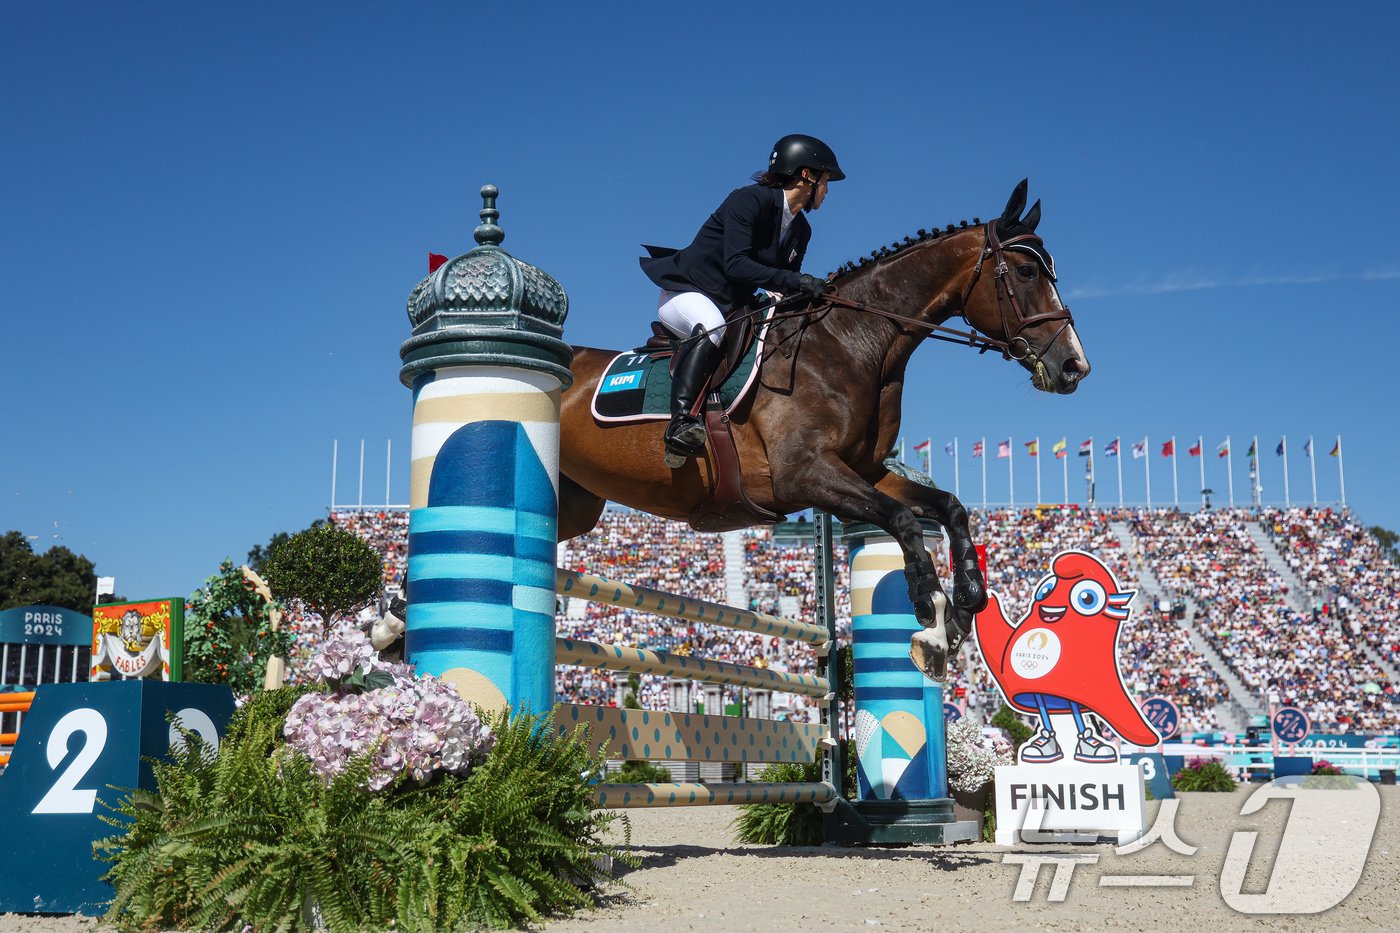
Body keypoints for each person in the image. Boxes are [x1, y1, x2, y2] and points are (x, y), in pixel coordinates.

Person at [640, 134, 844, 467]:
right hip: (687, 291)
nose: (828, 190)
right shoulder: (749, 200)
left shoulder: (801, 230)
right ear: (807, 176)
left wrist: (812, 292)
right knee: (714, 328)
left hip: (734, 302)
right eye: (826, 180)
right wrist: (795, 280)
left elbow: (780, 285)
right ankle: (680, 422)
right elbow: (736, 263)